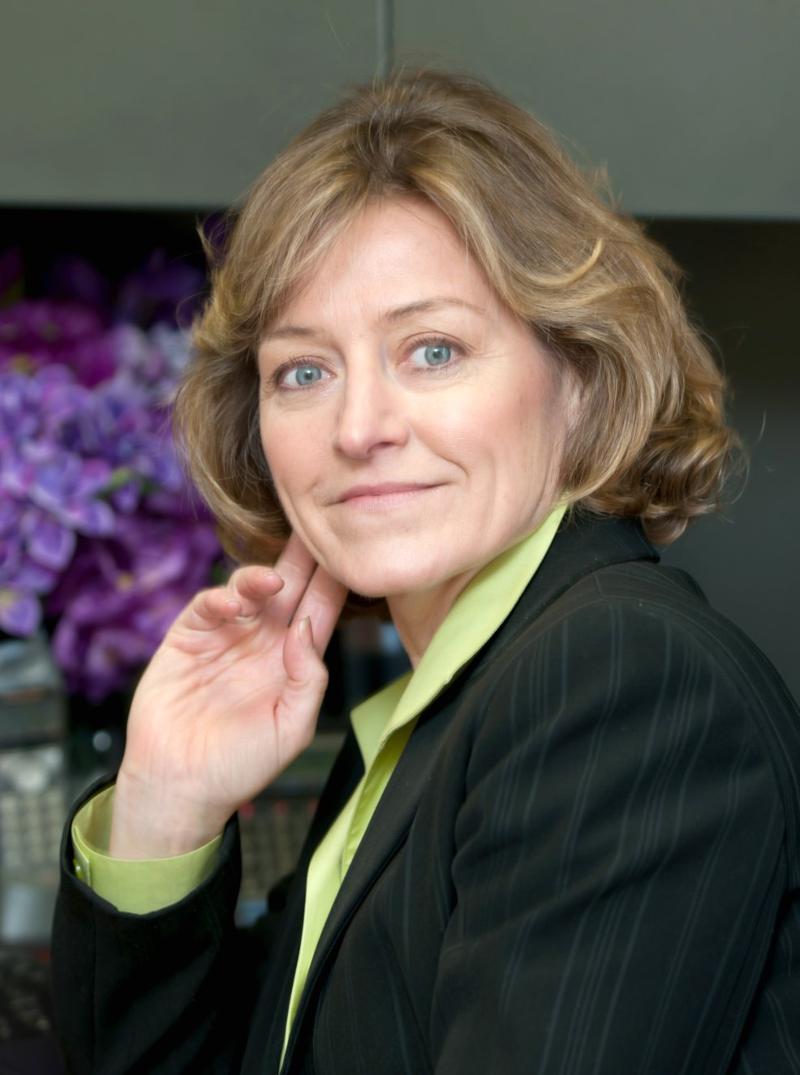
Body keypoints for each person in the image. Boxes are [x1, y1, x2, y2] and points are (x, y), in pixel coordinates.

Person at [51, 69, 800, 1074]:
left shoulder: (618, 678)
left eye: (433, 350)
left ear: (579, 376)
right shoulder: (445, 710)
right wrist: (165, 803)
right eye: (303, 371)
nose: (358, 428)